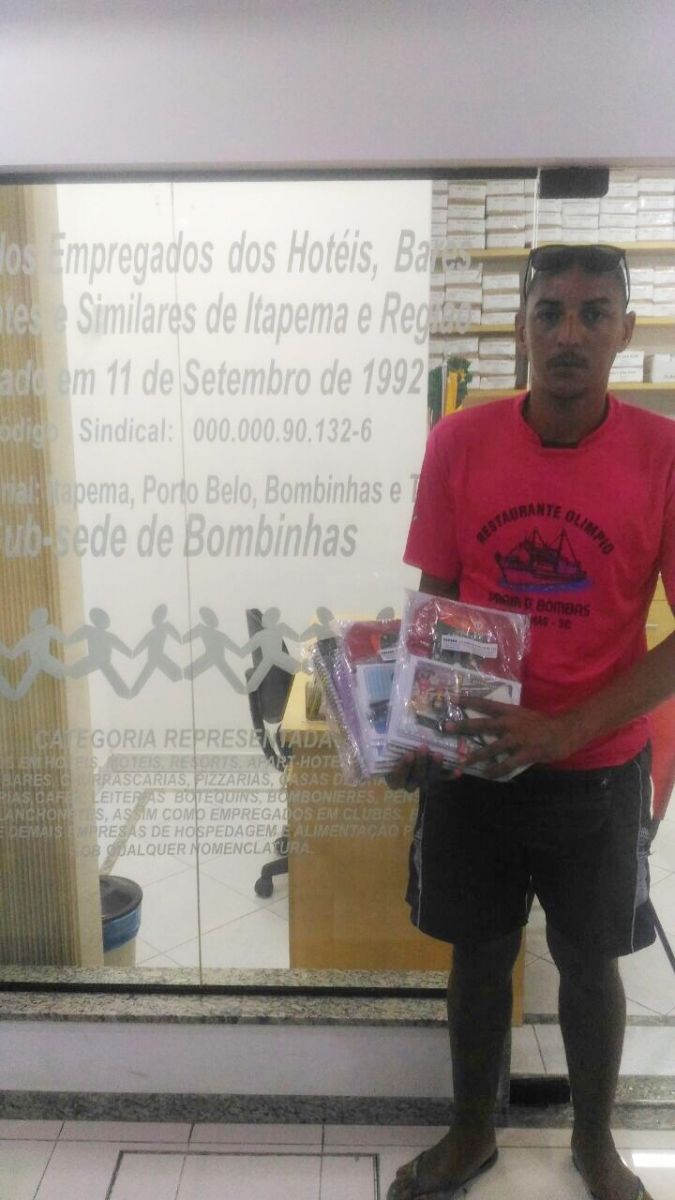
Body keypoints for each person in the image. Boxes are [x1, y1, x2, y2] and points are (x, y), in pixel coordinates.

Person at [387, 244, 675, 1200]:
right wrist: (412, 729)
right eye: (548, 311)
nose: (569, 333)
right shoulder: (459, 443)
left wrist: (563, 730)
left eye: (594, 313)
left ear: (623, 331)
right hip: (473, 760)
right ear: (520, 328)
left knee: (590, 962)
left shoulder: (663, 454)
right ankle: (472, 1134)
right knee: (478, 955)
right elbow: (435, 599)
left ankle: (593, 1144)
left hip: (598, 768)